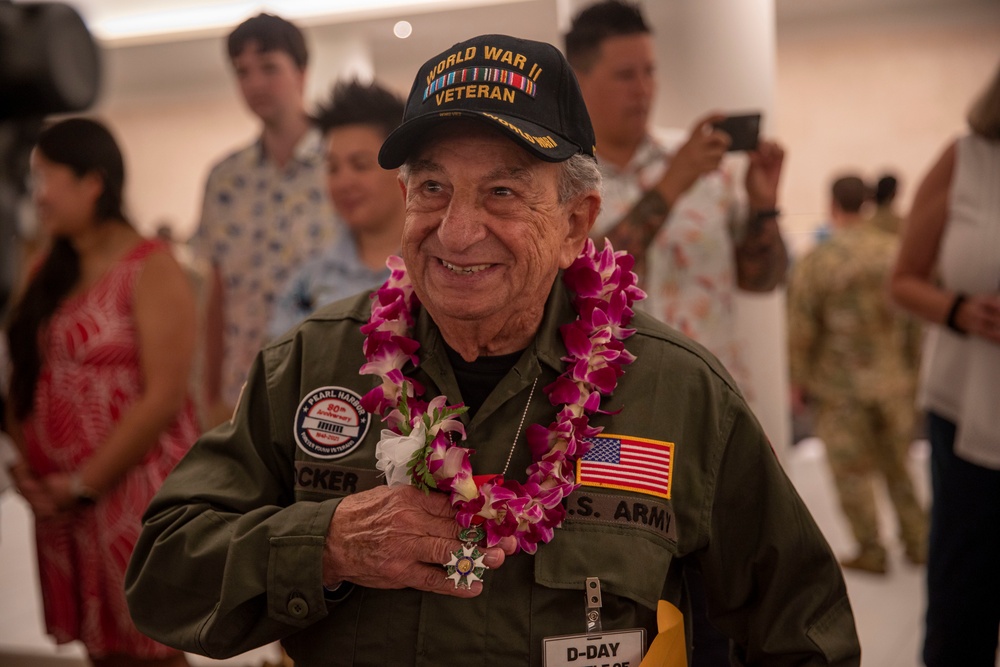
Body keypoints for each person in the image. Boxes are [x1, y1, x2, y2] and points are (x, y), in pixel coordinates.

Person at [125, 34, 859, 666]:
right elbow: (161, 572)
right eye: (434, 187)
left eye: (503, 192)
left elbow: (802, 631)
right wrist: (327, 544)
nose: (456, 230)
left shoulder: (677, 391)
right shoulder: (312, 365)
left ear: (577, 221)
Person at [3, 118, 199, 667]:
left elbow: (162, 397)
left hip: (131, 492)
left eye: (47, 177)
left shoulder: (151, 266)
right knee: (101, 644)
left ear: (92, 182)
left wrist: (84, 483)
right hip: (60, 500)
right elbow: (21, 371)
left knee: (151, 647)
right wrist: (26, 469)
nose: (36, 194)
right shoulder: (46, 266)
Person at [564, 0, 788, 396]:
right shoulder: (562, 177)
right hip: (618, 404)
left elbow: (762, 280)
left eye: (649, 71)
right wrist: (673, 183)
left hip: (716, 395)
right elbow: (582, 281)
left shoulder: (703, 166)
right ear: (577, 81)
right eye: (624, 75)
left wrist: (763, 208)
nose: (643, 89)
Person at [889, 60, 1000, 667]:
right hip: (969, 415)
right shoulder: (968, 159)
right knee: (963, 603)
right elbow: (902, 281)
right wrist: (962, 310)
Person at [194, 13, 339, 427]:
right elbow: (217, 291)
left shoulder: (344, 166)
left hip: (328, 384)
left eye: (269, 67)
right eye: (242, 72)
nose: (255, 83)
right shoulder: (224, 178)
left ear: (302, 71)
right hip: (242, 388)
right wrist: (209, 392)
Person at [787, 174, 927, 575]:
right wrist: (912, 371)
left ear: (833, 205)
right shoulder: (893, 253)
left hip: (840, 389)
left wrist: (796, 381)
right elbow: (916, 323)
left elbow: (801, 328)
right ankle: (918, 541)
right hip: (894, 381)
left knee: (851, 475)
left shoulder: (819, 260)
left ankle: (871, 549)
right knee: (899, 467)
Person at [268, 80, 406, 339]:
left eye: (360, 165)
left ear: (403, 169)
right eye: (333, 168)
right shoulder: (308, 284)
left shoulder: (435, 271)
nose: (343, 182)